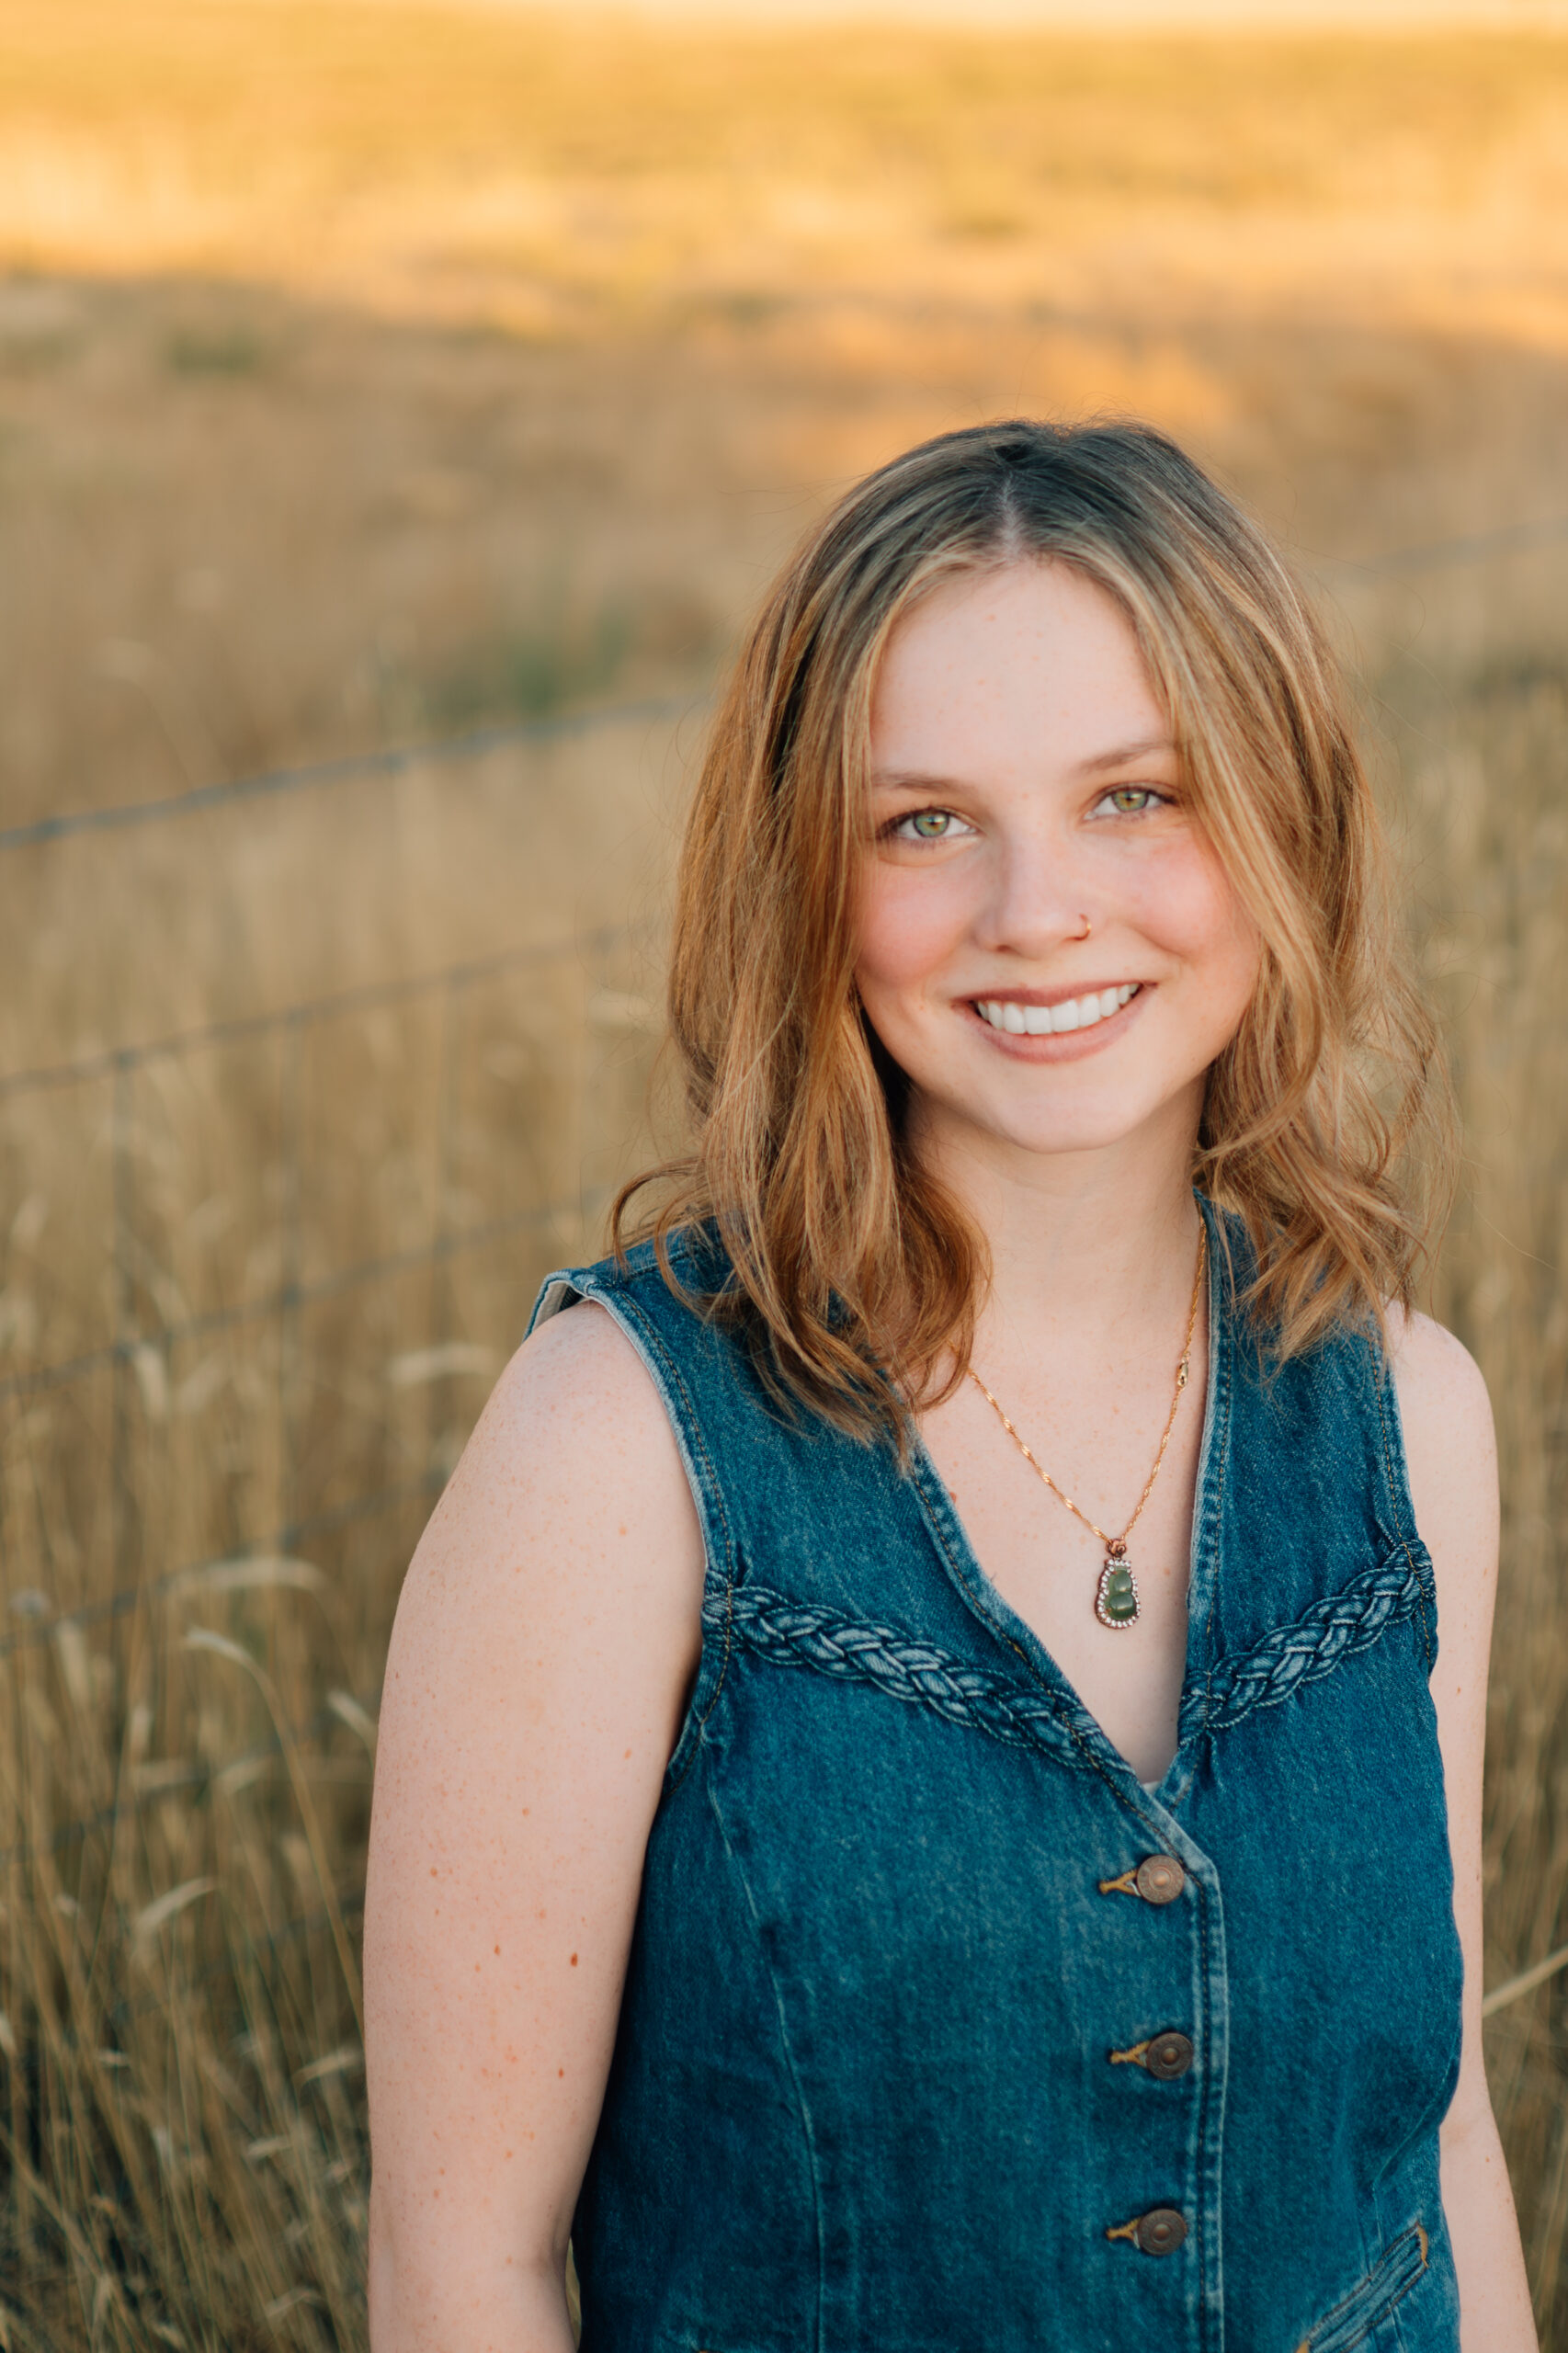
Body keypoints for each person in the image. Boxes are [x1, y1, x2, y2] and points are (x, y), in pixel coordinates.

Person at [362, 420, 1536, 2350]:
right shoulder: (614, 1453)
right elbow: (460, 2267)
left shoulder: (1411, 1412)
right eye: (923, 822)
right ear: (806, 879)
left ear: (1282, 815)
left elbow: (1435, 2132)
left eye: (1135, 796)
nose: (1037, 908)